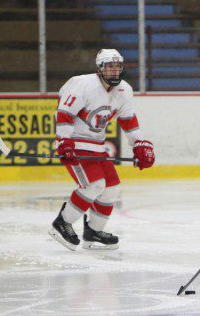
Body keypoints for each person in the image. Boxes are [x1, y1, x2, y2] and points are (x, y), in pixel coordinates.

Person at [48, 49, 155, 251]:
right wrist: (63, 141)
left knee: (111, 188)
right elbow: (64, 113)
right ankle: (61, 223)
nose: (114, 71)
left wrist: (139, 144)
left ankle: (93, 232)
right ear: (100, 69)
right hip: (75, 144)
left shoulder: (124, 90)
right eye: (109, 66)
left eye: (117, 66)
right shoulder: (83, 84)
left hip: (97, 146)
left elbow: (128, 121)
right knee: (94, 185)